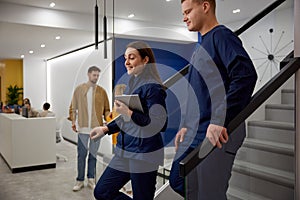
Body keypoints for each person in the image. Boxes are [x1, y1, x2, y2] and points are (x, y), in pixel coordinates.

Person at [169, 0, 258, 199]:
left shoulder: (222, 36)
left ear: (205, 6)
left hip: (218, 132)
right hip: (196, 131)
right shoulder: (202, 45)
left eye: (188, 11)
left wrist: (220, 119)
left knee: (210, 195)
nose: (184, 17)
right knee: (177, 179)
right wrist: (186, 125)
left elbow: (245, 76)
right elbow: (200, 93)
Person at [90, 41, 168, 200]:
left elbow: (159, 124)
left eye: (131, 58)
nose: (126, 62)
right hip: (125, 150)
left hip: (144, 153)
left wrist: (129, 112)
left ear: (145, 60)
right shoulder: (132, 82)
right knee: (102, 191)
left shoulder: (153, 88)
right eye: (125, 58)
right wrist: (106, 129)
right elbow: (126, 119)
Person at [69, 66, 110, 192]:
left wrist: (109, 121)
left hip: (97, 129)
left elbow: (107, 110)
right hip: (83, 129)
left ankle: (91, 179)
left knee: (93, 155)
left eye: (98, 75)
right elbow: (73, 108)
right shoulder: (79, 89)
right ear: (88, 74)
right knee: (81, 155)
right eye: (94, 75)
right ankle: (80, 180)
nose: (96, 77)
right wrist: (73, 121)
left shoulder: (102, 91)